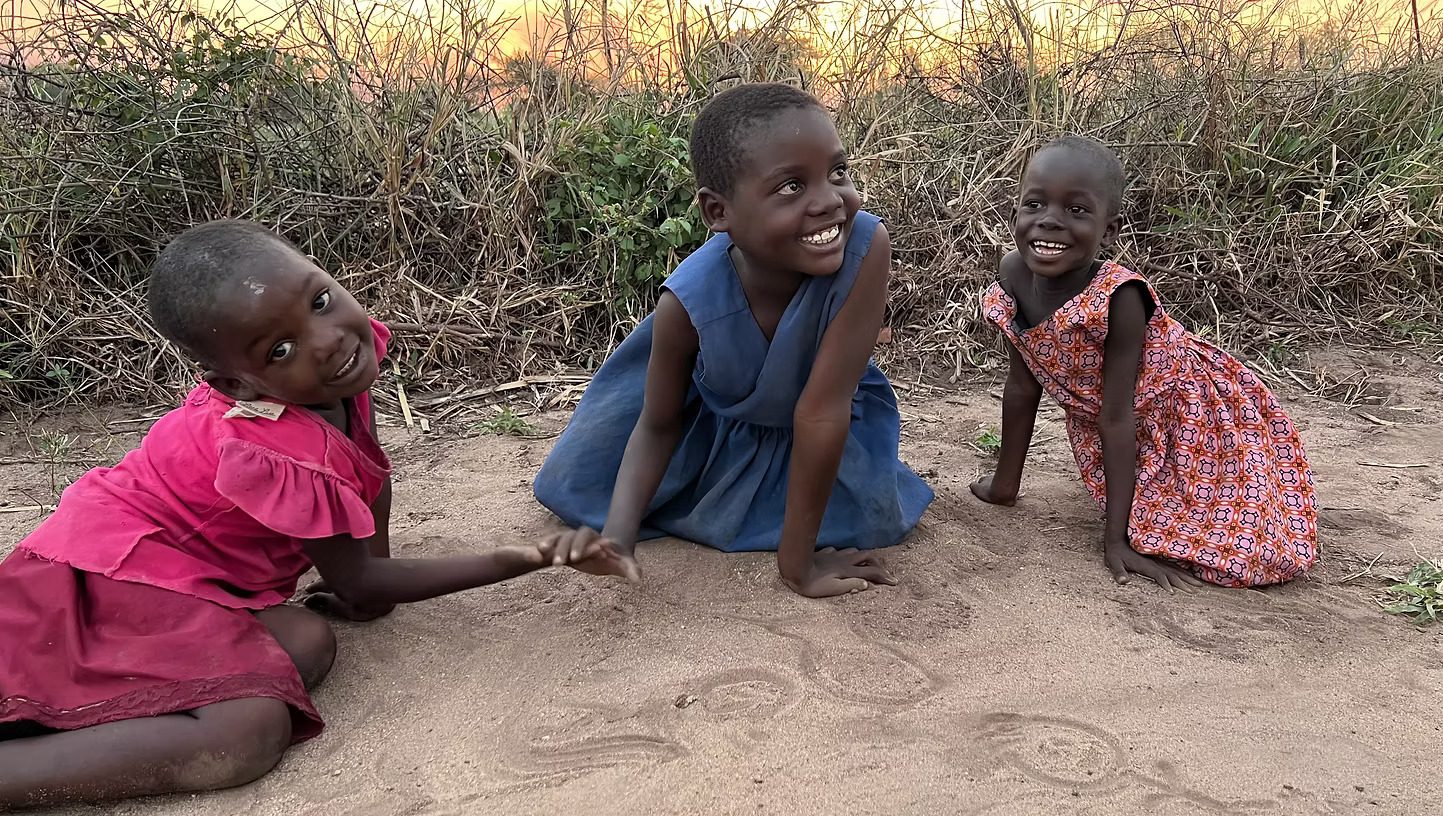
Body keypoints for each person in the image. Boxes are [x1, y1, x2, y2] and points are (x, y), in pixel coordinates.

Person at [0, 219, 618, 809]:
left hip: (181, 575)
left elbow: (366, 473)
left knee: (305, 646)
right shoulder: (278, 449)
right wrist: (529, 556)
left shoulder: (327, 380)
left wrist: (371, 585)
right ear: (235, 385)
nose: (327, 342)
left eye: (319, 301)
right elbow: (362, 578)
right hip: (114, 575)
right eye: (281, 349)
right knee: (246, 733)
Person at [532, 82, 935, 599]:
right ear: (718, 212)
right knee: (586, 488)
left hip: (824, 430)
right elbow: (657, 425)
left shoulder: (864, 248)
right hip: (716, 434)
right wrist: (618, 538)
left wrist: (798, 565)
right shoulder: (688, 302)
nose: (830, 201)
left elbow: (822, 410)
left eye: (837, 172)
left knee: (871, 518)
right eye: (791, 186)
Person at [971, 135, 1319, 590]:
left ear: (1109, 231)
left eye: (1076, 210)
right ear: (1015, 212)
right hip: (1129, 422)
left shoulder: (1121, 297)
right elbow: (1023, 385)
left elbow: (1116, 417)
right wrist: (1003, 487)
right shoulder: (1012, 272)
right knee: (1160, 521)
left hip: (1193, 415)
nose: (1050, 221)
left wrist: (1117, 541)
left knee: (1237, 550)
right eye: (1034, 204)